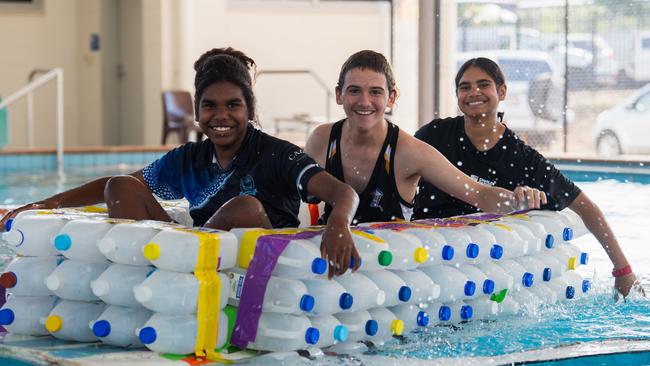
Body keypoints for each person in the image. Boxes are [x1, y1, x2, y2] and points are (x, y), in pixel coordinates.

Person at [0, 47, 360, 278]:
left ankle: (179, 264)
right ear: (197, 114)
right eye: (210, 105)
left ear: (249, 110)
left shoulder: (277, 153)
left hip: (248, 263)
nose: (222, 115)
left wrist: (340, 224)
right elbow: (127, 184)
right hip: (188, 252)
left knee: (244, 207)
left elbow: (343, 193)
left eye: (233, 105)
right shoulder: (191, 157)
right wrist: (52, 202)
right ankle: (154, 271)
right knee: (120, 185)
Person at [413, 57, 644, 298]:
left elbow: (587, 208)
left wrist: (623, 270)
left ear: (502, 91)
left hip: (480, 269)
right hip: (429, 253)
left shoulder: (522, 159)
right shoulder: (435, 135)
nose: (474, 92)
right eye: (465, 87)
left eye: (483, 85)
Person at [305, 50, 544, 227]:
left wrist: (519, 201)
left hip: (388, 267)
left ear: (391, 98)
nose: (364, 102)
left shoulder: (409, 152)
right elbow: (289, 194)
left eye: (376, 92)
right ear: (339, 95)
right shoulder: (322, 139)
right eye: (354, 90)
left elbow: (477, 193)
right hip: (329, 255)